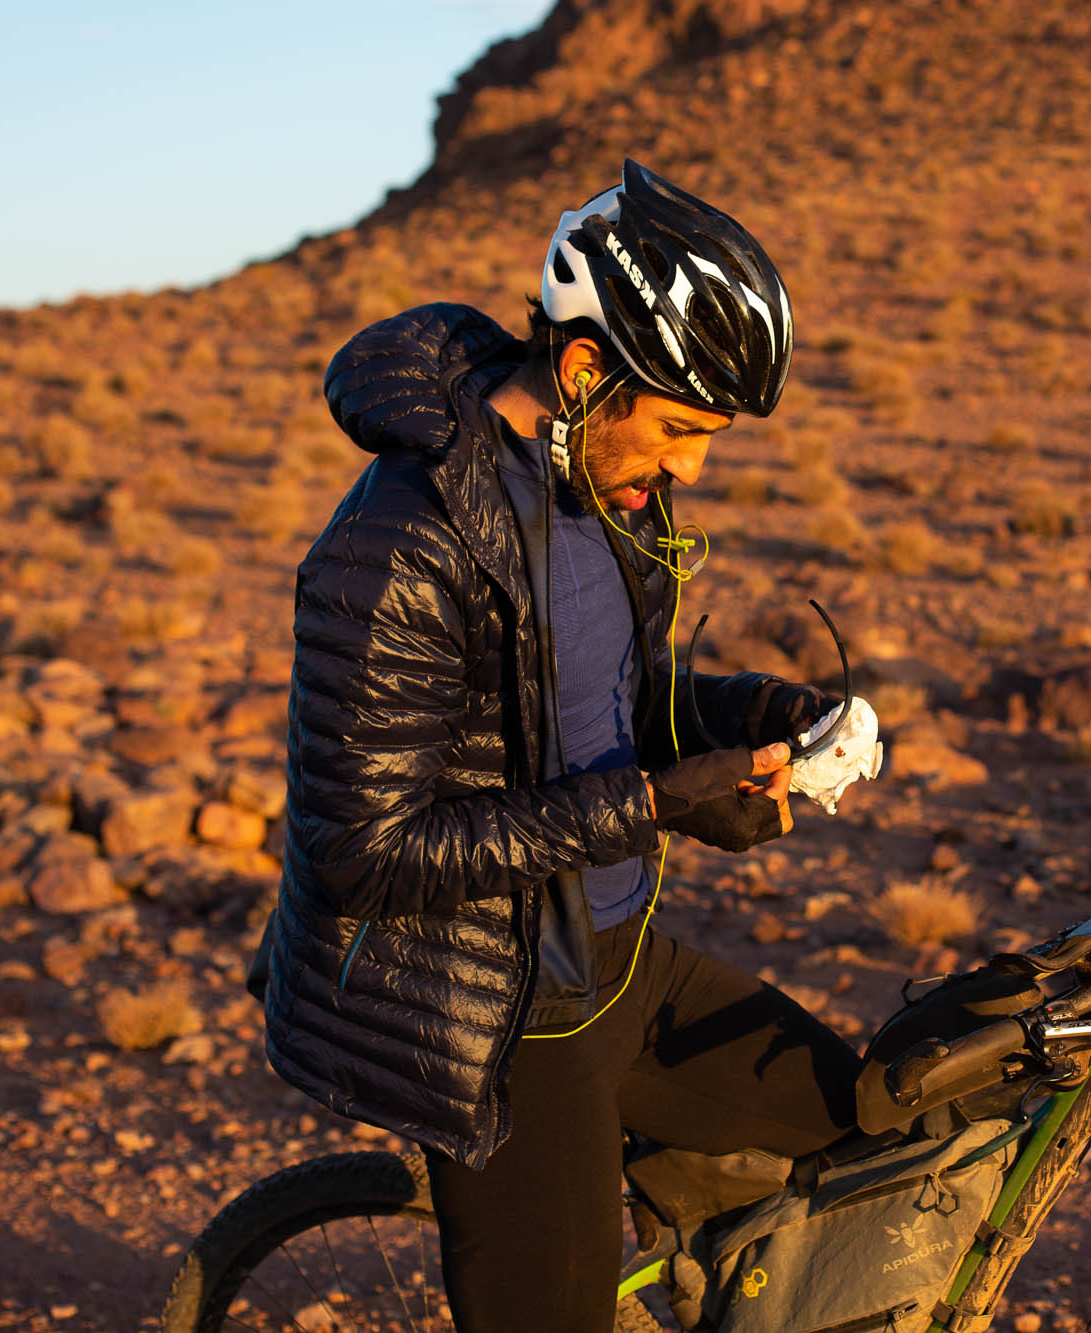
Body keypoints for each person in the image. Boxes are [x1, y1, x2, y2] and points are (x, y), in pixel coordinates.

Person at [248, 159, 870, 1332]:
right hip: (500, 1009)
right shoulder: (399, 546)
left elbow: (599, 699)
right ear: (585, 371)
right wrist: (653, 803)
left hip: (615, 955)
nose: (691, 467)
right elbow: (364, 854)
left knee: (871, 1126)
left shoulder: (601, 487)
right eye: (680, 428)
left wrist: (755, 718)